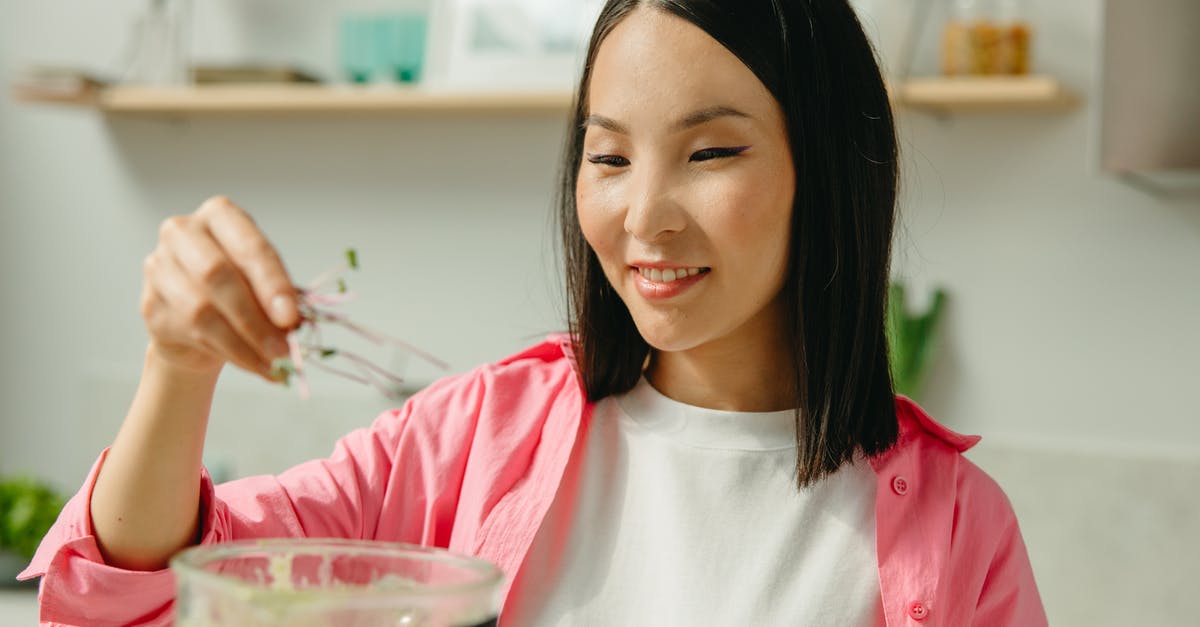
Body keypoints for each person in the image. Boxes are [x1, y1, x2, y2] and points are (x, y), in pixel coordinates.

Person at [20, 0, 1048, 625]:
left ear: (828, 170)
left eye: (712, 151)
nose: (643, 216)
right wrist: (177, 365)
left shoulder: (958, 533)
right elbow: (142, 600)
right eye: (607, 157)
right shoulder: (469, 441)